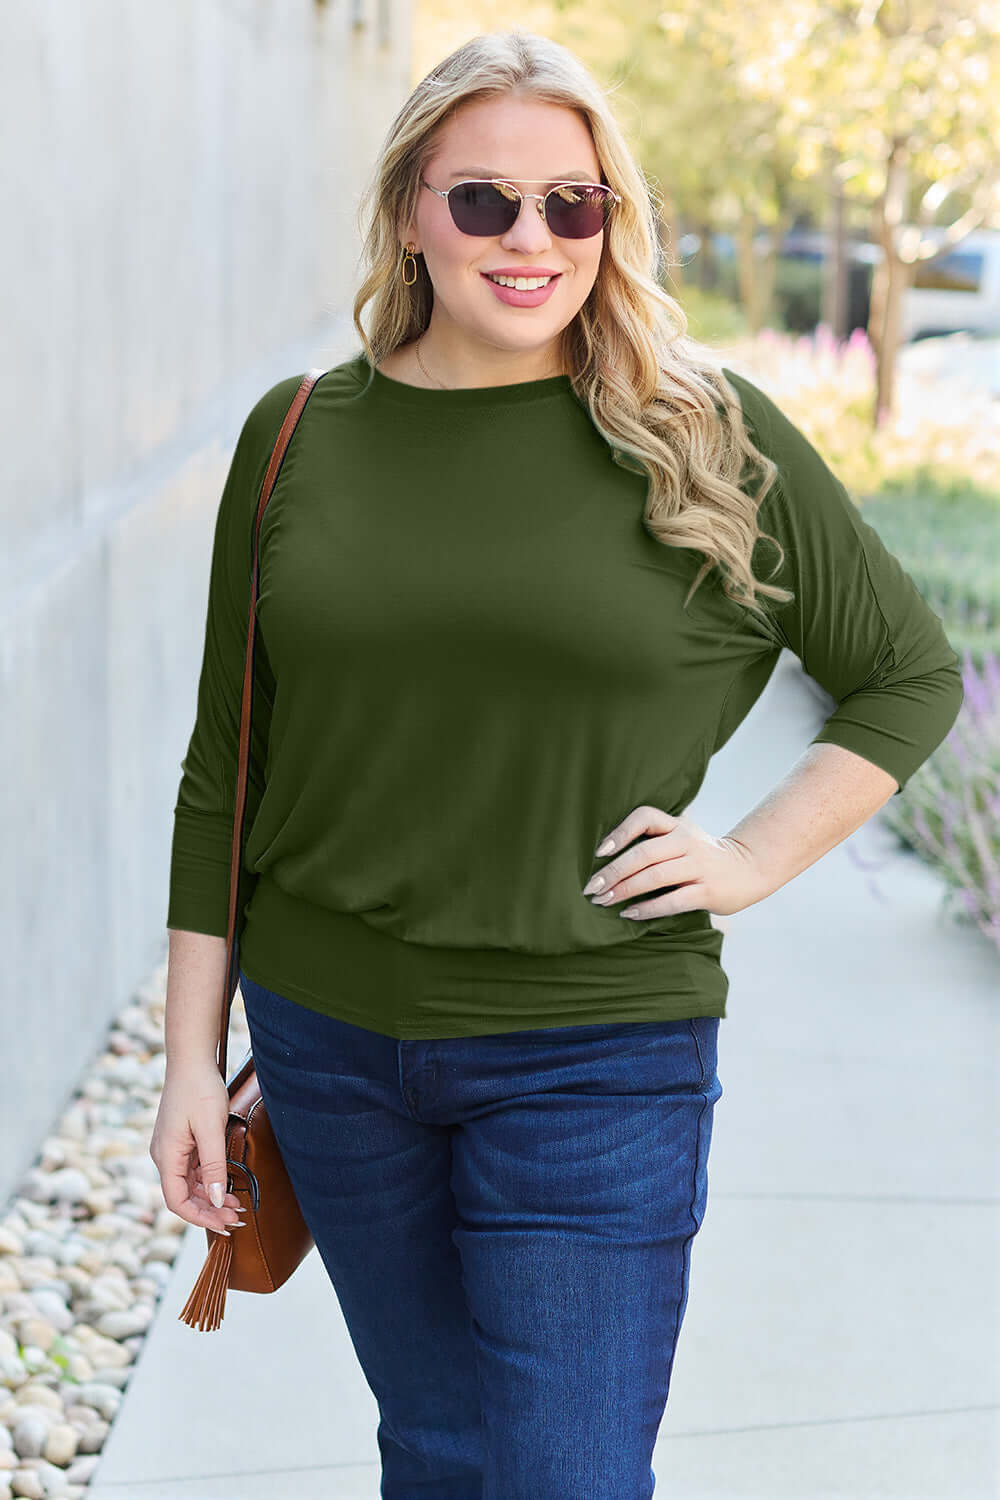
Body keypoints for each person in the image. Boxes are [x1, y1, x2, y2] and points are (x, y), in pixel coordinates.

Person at [149, 28, 964, 1499]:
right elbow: (226, 765)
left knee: (568, 1477)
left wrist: (756, 856)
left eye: (572, 205)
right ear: (411, 208)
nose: (532, 241)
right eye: (485, 203)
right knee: (442, 1448)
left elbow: (903, 674)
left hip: (596, 1054)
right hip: (333, 1050)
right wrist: (191, 1066)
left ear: (611, 218)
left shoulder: (707, 437)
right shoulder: (297, 439)